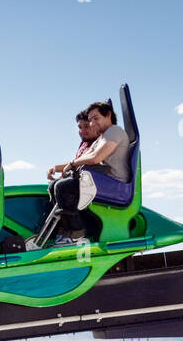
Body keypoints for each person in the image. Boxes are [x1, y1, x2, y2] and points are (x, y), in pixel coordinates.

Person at [40, 99, 130, 246]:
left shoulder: (115, 131)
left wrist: (73, 164)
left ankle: (77, 233)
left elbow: (96, 158)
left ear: (108, 115)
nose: (93, 123)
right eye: (90, 120)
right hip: (101, 179)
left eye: (96, 119)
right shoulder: (102, 137)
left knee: (64, 187)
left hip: (114, 183)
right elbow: (85, 158)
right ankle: (65, 232)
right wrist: (63, 168)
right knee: (55, 185)